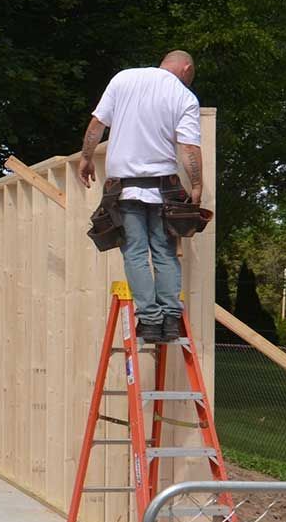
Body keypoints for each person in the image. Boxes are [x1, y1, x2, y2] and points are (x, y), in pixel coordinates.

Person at [77, 50, 205, 345]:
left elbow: (97, 125)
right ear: (186, 69)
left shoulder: (124, 79)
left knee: (135, 252)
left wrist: (85, 158)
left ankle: (149, 322)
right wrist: (196, 187)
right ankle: (171, 320)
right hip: (164, 189)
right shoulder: (183, 97)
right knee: (164, 251)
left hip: (124, 188)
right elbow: (188, 147)